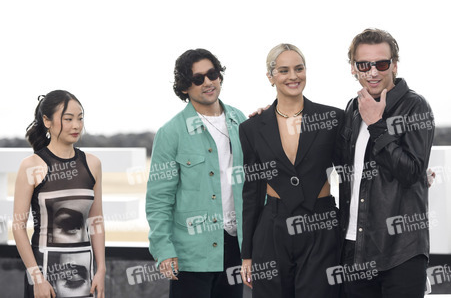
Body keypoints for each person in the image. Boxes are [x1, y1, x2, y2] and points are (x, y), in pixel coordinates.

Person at [239, 43, 343, 298]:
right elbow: (252, 191)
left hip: (322, 225)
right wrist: (247, 255)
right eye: (283, 70)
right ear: (270, 77)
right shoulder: (252, 128)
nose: (293, 76)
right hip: (272, 229)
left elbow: (352, 173)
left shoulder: (334, 118)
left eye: (299, 68)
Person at [339, 28, 435, 297]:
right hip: (355, 249)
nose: (373, 72)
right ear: (353, 68)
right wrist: (274, 116)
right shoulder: (352, 108)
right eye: (364, 65)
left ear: (394, 64)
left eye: (381, 64)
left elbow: (411, 171)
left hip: (401, 251)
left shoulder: (415, 106)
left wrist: (376, 125)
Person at [146, 48, 246, 298]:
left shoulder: (241, 121)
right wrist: (163, 249)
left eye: (212, 74)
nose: (208, 82)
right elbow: (159, 199)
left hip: (236, 247)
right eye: (197, 79)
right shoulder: (171, 133)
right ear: (183, 87)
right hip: (191, 254)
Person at [13, 90, 105, 298]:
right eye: (68, 119)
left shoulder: (92, 164)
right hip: (44, 275)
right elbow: (18, 227)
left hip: (85, 274)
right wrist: (37, 278)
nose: (76, 125)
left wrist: (101, 270)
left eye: (80, 118)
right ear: (47, 121)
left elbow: (96, 221)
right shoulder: (31, 166)